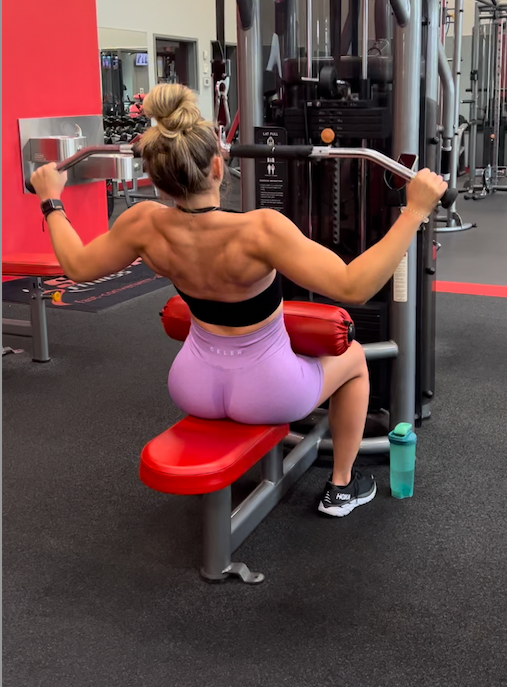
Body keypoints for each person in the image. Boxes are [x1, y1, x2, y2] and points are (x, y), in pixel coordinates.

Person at [30, 84, 446, 517]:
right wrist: (414, 210)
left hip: (193, 385)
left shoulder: (141, 224)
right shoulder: (259, 230)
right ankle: (342, 485)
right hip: (270, 391)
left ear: (157, 177)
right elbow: (354, 286)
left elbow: (76, 265)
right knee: (355, 360)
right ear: (216, 164)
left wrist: (50, 198)